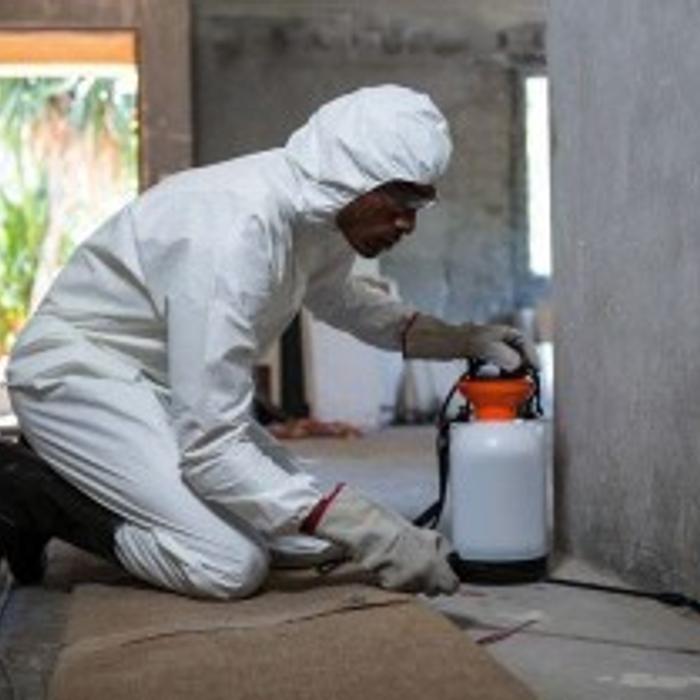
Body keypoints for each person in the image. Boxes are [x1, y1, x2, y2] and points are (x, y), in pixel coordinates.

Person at [1, 85, 537, 599]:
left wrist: (458, 339)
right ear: (354, 176)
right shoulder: (233, 235)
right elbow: (211, 448)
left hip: (158, 384)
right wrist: (371, 529)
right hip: (76, 376)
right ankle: (33, 493)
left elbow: (341, 298)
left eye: (419, 205)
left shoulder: (321, 212)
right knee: (227, 563)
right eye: (399, 202)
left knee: (301, 541)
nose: (407, 224)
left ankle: (86, 474)